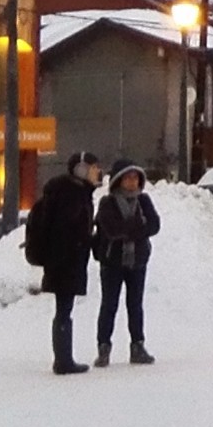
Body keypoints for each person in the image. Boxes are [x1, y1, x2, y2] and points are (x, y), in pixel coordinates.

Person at [90, 163, 160, 367]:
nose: (132, 182)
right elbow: (111, 229)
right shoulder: (107, 202)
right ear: (118, 180)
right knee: (109, 305)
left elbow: (154, 225)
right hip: (112, 261)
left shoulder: (144, 200)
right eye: (127, 178)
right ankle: (103, 347)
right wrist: (138, 227)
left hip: (138, 260)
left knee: (135, 305)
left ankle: (138, 346)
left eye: (135, 178)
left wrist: (129, 229)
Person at [39, 150, 101, 375]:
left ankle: (63, 357)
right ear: (81, 169)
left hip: (64, 259)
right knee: (64, 308)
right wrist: (83, 242)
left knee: (64, 308)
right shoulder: (72, 194)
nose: (98, 172)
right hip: (66, 260)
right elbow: (69, 228)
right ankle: (63, 360)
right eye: (93, 167)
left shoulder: (74, 192)